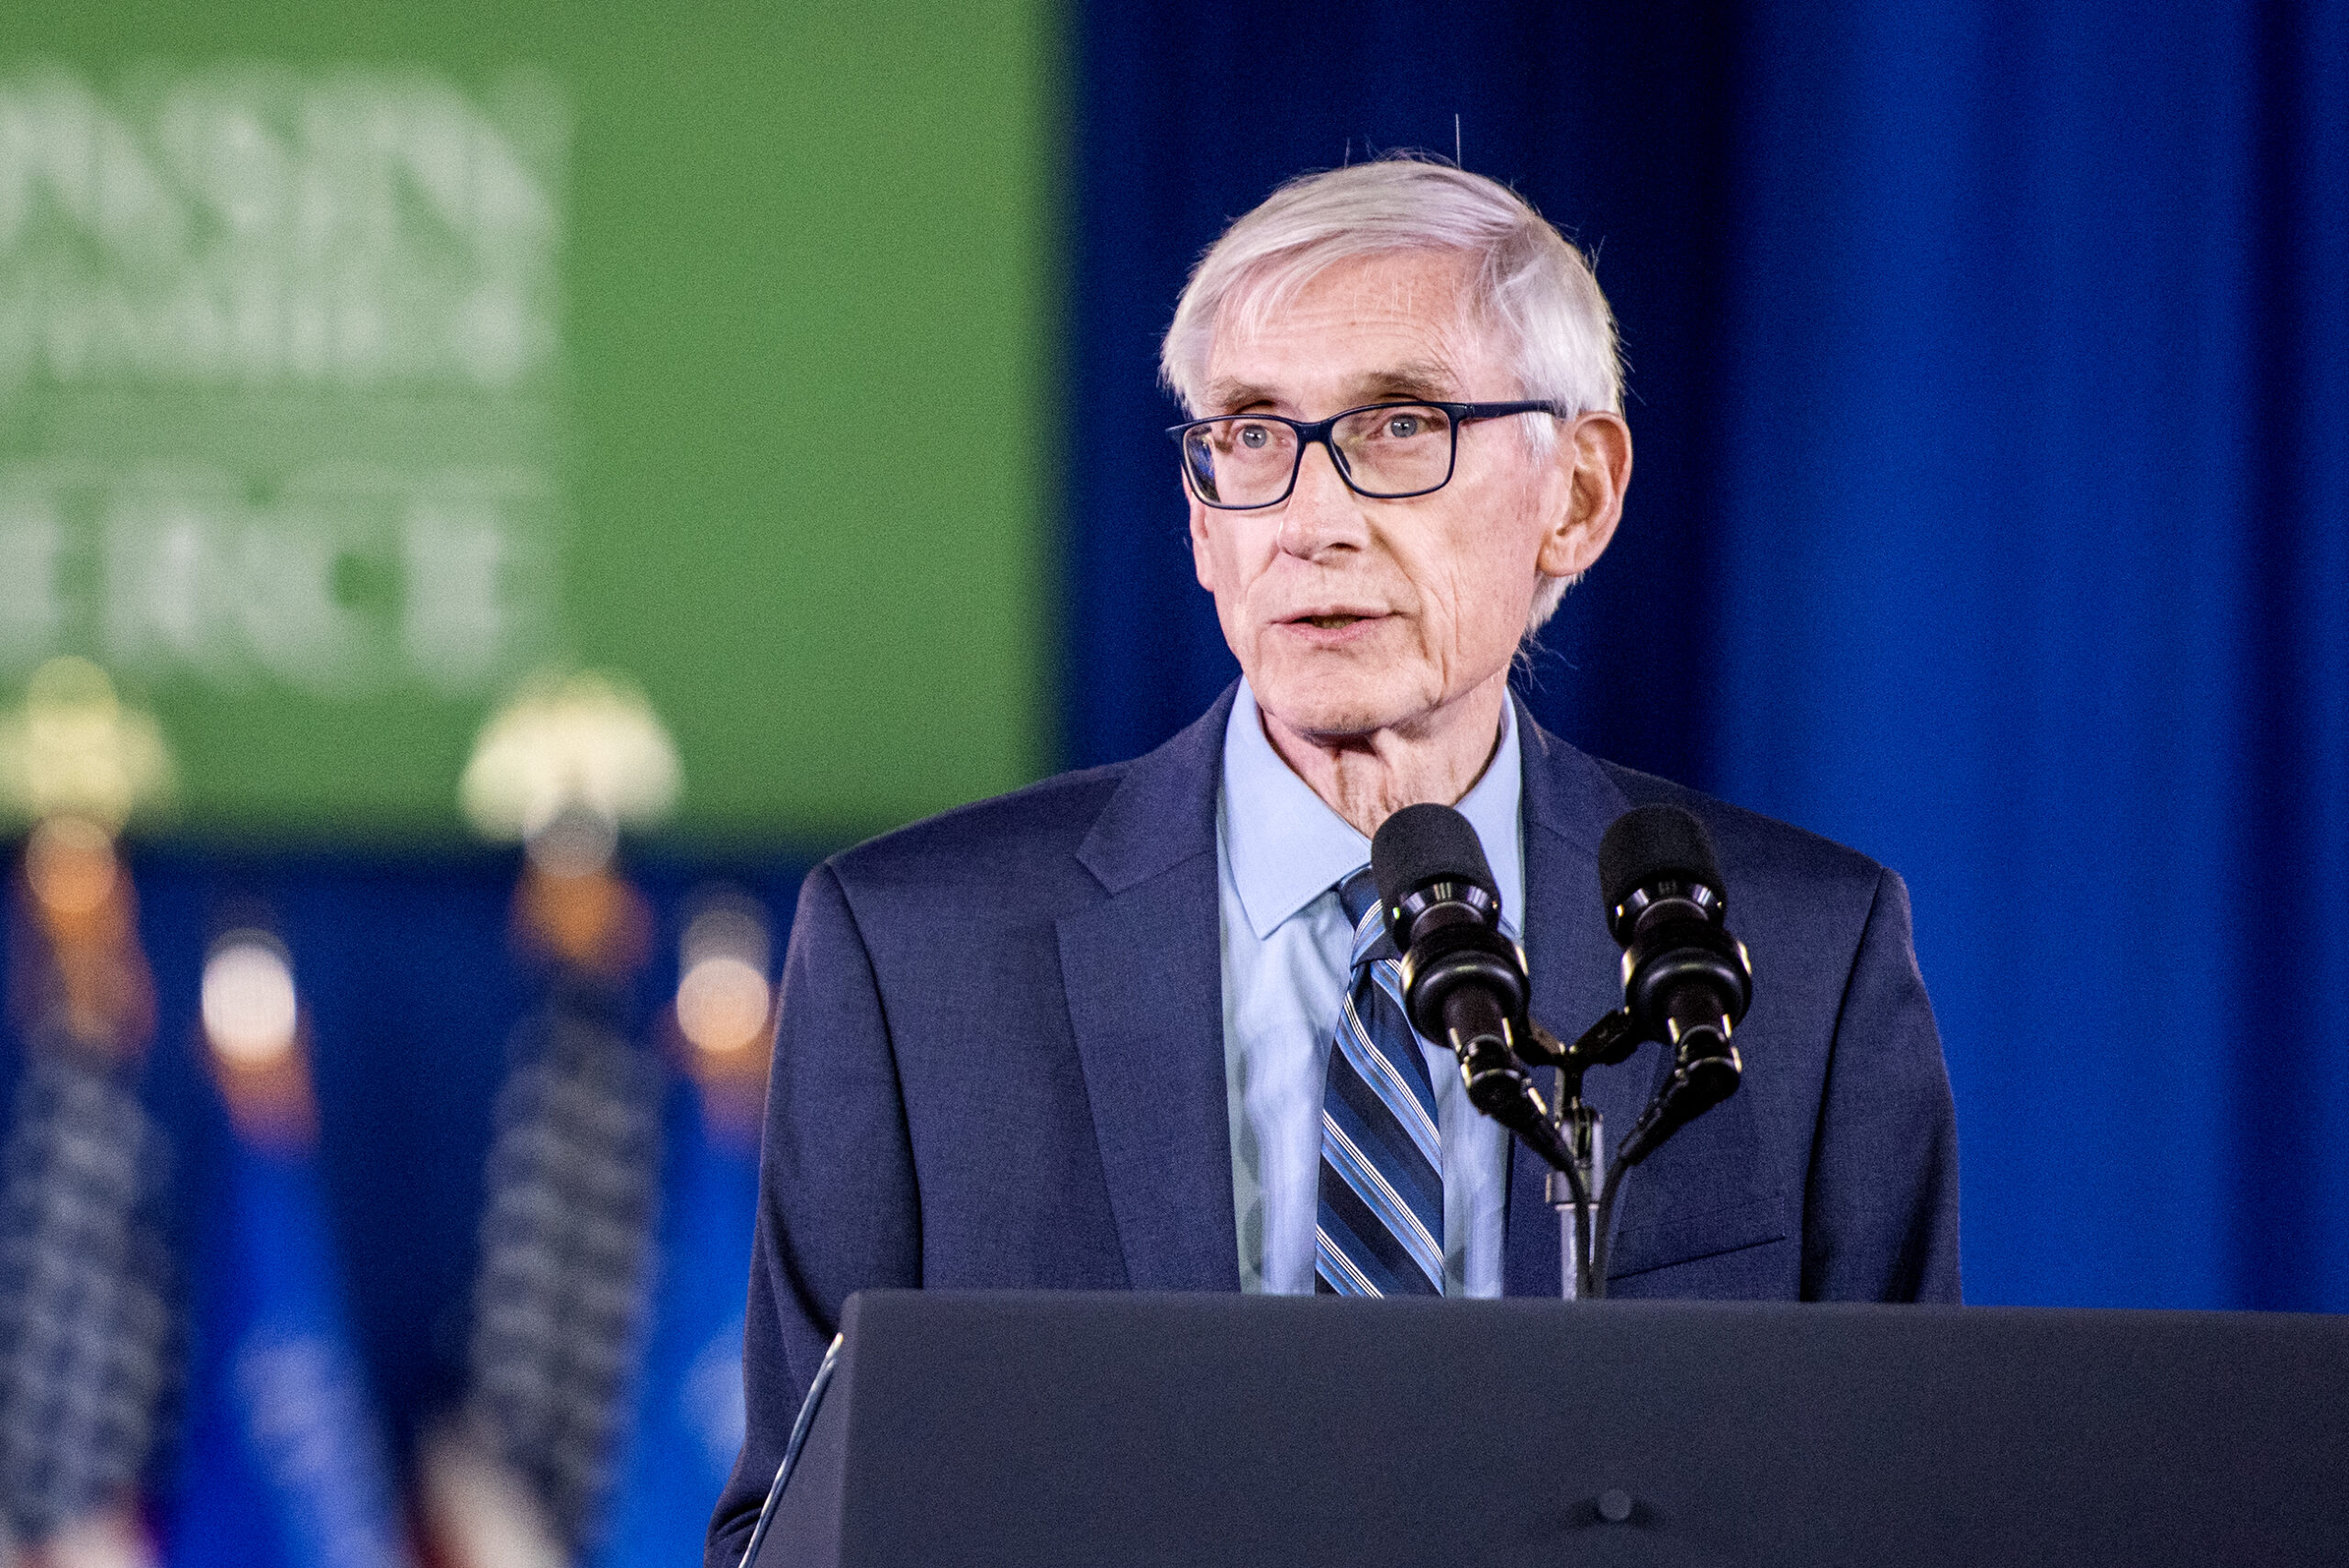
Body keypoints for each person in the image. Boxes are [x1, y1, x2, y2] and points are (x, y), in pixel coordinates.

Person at [707, 158, 1959, 1563]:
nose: (1311, 518)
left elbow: (1898, 1506)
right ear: (1198, 518)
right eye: (1250, 437)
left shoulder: (1788, 954)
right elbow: (793, 1532)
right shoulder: (916, 956)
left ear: (1580, 492)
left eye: (1400, 424)